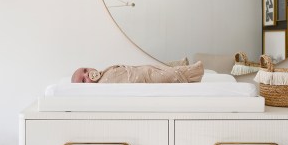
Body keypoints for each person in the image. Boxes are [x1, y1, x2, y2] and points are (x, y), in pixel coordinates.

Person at [71, 62, 204, 83]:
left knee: (155, 67)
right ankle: (193, 71)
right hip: (142, 77)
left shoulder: (104, 72)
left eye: (85, 70)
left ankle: (181, 63)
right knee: (164, 76)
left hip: (139, 70)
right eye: (83, 80)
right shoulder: (102, 86)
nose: (87, 74)